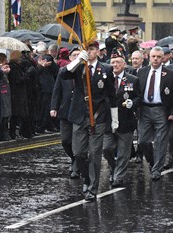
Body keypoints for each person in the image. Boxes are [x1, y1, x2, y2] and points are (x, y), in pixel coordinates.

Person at [61, 41, 117, 201]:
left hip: (98, 118)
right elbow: (63, 74)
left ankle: (92, 189)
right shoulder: (78, 66)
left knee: (94, 154)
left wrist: (114, 119)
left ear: (98, 51)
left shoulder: (106, 69)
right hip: (79, 116)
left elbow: (112, 95)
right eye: (86, 49)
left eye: (92, 49)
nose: (89, 52)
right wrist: (78, 59)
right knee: (78, 153)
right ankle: (86, 178)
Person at [137, 46, 173, 181]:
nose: (155, 59)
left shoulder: (171, 74)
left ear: (163, 58)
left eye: (158, 57)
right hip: (144, 109)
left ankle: (157, 169)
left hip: (161, 109)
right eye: (153, 56)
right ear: (148, 57)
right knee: (143, 141)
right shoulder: (142, 72)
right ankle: (152, 161)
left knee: (161, 141)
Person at [103, 48, 141, 187]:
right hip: (108, 120)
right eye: (113, 62)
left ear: (124, 64)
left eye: (118, 62)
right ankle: (114, 168)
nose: (115, 65)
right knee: (106, 149)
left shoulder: (133, 80)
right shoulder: (105, 78)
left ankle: (119, 176)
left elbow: (138, 98)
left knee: (124, 152)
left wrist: (133, 103)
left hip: (125, 120)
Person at [51, 48, 82, 179]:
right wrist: (54, 107)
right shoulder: (62, 72)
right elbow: (57, 90)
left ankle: (76, 165)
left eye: (78, 55)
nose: (76, 57)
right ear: (69, 58)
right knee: (65, 140)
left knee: (77, 142)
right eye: (73, 55)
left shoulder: (83, 71)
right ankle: (74, 158)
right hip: (65, 110)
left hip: (79, 112)